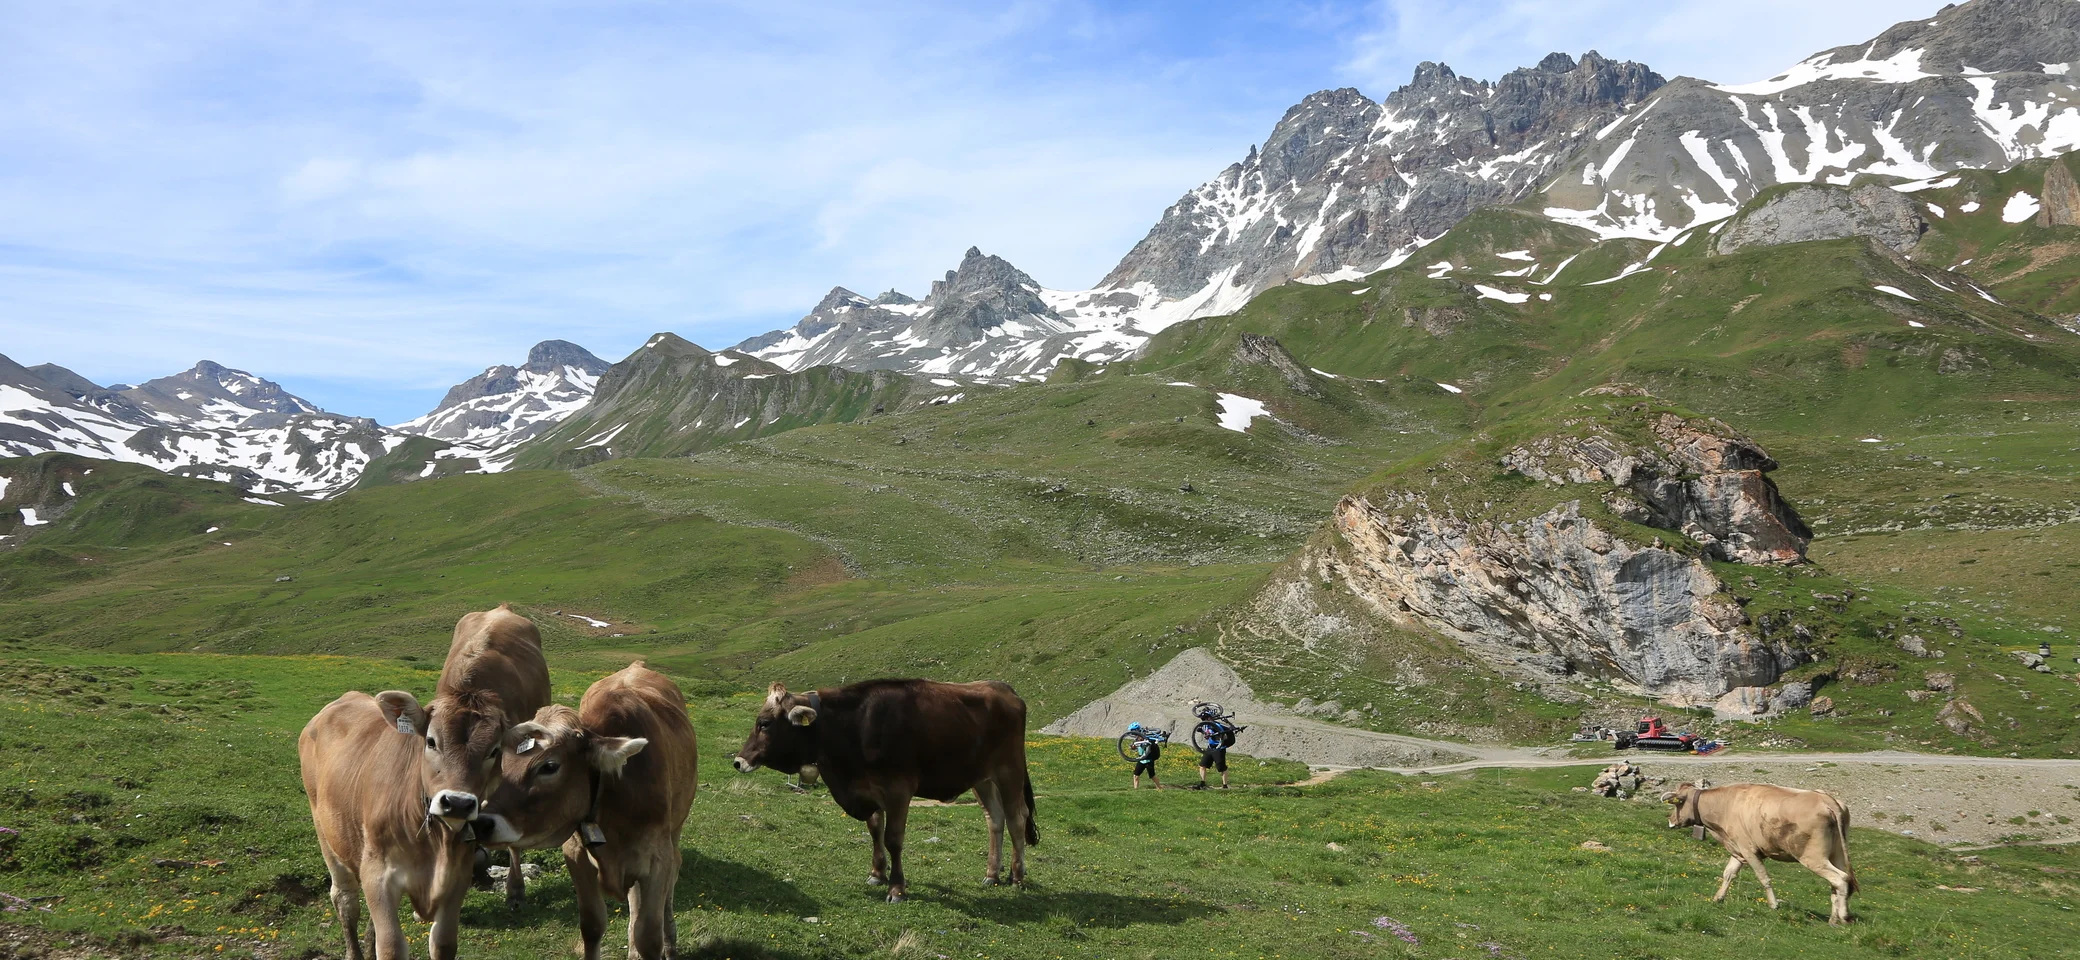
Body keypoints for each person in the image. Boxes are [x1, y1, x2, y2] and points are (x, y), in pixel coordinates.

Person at [1196, 718, 1233, 790]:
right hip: (1210, 747)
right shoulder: (1205, 725)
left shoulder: (1216, 725)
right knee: (1202, 765)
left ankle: (1225, 786)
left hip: (1219, 748)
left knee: (1221, 767)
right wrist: (1202, 732)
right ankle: (1202, 783)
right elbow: (1207, 735)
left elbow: (1223, 735)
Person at [1127, 722, 1163, 790]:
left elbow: (1146, 745)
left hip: (1148, 759)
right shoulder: (1137, 738)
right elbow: (1137, 746)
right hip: (1141, 759)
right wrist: (1133, 747)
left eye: (1132, 731)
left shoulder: (1144, 736)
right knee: (1136, 775)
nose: (1131, 733)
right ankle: (1136, 790)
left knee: (1152, 776)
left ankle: (1159, 788)